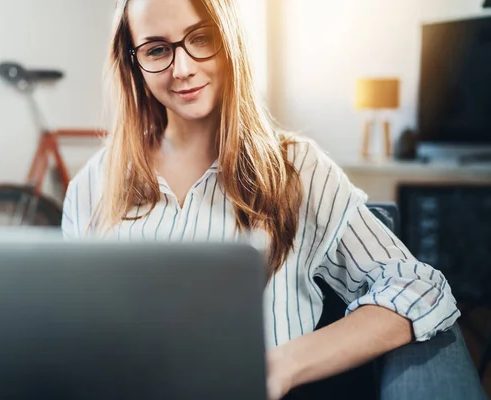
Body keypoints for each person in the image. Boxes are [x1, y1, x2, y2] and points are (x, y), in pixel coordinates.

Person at [61, 0, 461, 398]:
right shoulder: (93, 184)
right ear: (134, 63)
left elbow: (419, 287)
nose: (181, 70)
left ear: (229, 38)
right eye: (156, 50)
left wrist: (283, 364)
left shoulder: (298, 170)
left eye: (201, 38)